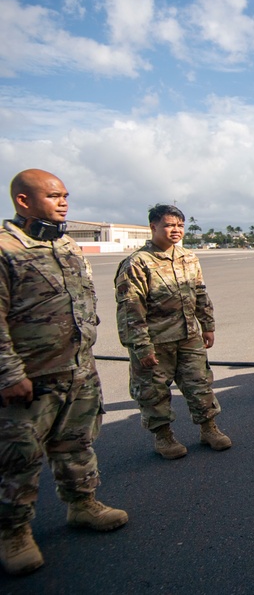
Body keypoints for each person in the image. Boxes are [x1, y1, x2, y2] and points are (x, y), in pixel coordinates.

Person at [0, 169, 128, 576]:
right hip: (29, 378)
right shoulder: (6, 249)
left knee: (78, 444)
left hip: (77, 369)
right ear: (23, 200)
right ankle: (14, 533)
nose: (63, 202)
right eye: (54, 196)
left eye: (65, 195)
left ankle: (82, 504)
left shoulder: (68, 245)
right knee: (18, 457)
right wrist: (8, 374)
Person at [115, 204, 231, 460]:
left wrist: (207, 325)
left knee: (200, 384)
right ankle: (163, 436)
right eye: (169, 225)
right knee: (154, 391)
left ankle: (208, 429)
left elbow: (200, 293)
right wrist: (141, 346)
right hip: (156, 341)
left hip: (189, 336)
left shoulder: (189, 257)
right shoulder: (137, 263)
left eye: (180, 225)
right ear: (153, 227)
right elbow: (130, 309)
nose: (176, 230)